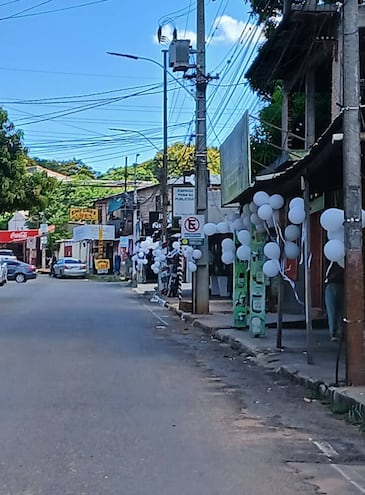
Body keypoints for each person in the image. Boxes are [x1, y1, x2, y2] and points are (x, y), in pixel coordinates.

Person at [324, 262, 344, 342]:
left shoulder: (332, 262)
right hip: (340, 285)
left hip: (332, 285)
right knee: (340, 311)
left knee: (332, 311)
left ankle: (334, 333)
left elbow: (326, 276)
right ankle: (339, 332)